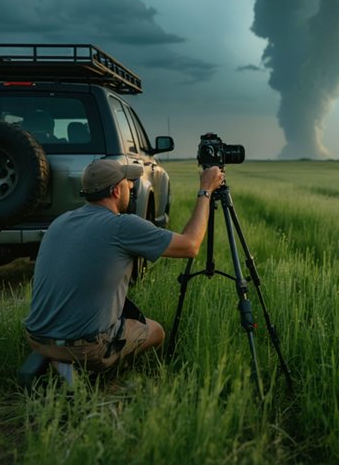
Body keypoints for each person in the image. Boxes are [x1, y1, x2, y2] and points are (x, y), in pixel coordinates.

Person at [23, 158, 225, 373]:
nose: (131, 186)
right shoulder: (122, 225)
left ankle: (57, 360)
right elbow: (190, 245)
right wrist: (206, 190)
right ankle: (98, 375)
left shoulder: (61, 221)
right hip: (85, 348)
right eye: (127, 182)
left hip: (36, 338)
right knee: (155, 331)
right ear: (116, 191)